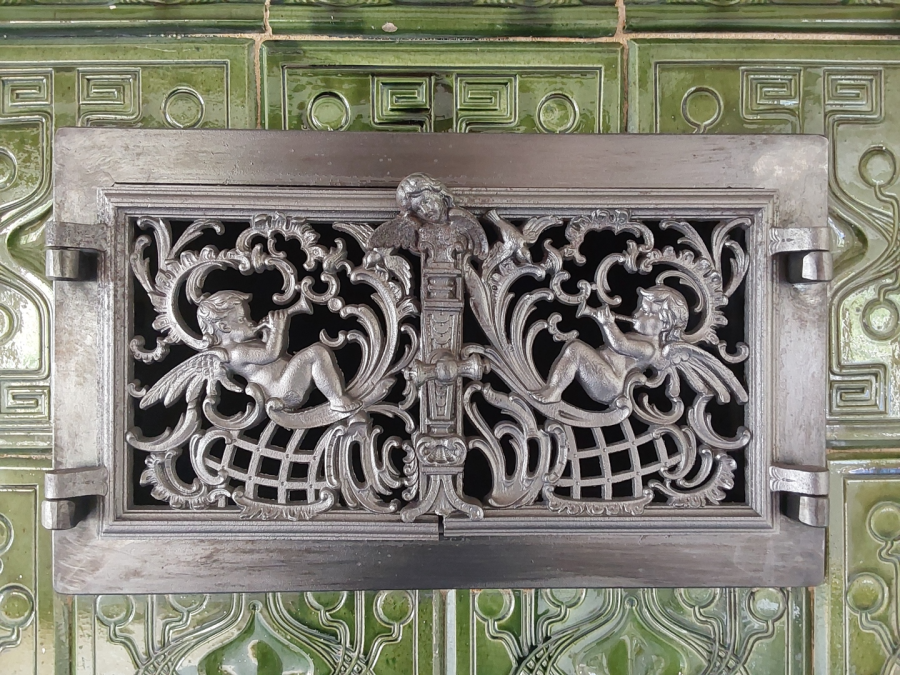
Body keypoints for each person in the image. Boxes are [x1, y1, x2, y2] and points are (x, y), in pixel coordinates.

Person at [196, 290, 359, 413]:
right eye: (242, 319)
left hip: (285, 381)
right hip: (282, 390)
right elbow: (271, 354)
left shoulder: (244, 345)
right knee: (316, 352)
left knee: (314, 357)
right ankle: (337, 401)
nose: (250, 322)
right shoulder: (236, 353)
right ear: (224, 327)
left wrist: (268, 333)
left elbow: (268, 354)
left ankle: (330, 390)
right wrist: (278, 329)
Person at [533, 285, 690, 406]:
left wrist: (607, 323)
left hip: (611, 385)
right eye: (641, 308)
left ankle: (554, 391)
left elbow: (620, 344)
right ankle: (553, 389)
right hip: (604, 371)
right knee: (575, 349)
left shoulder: (650, 349)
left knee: (575, 349)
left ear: (664, 325)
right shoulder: (639, 337)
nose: (637, 314)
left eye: (647, 312)